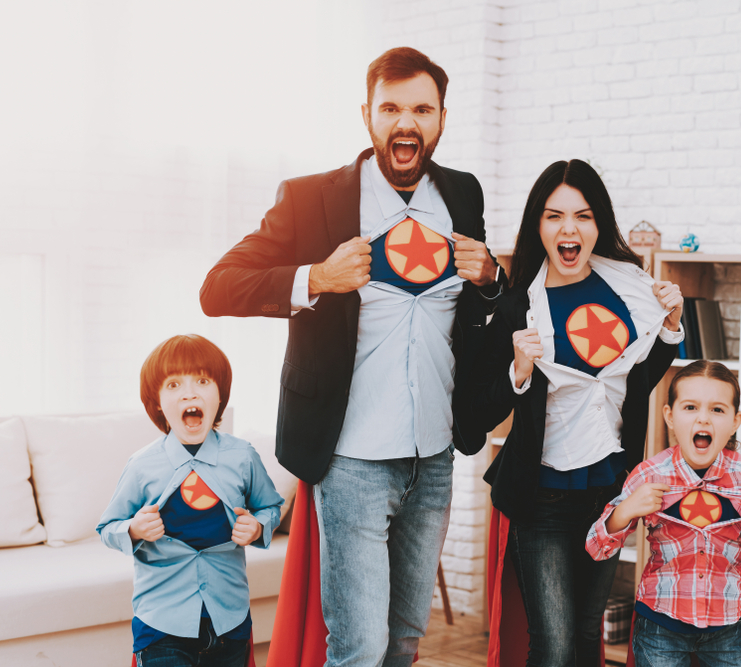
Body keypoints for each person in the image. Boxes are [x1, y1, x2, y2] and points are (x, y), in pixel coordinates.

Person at [199, 47, 502, 667]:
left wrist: (493, 277)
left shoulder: (463, 195)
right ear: (367, 115)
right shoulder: (314, 199)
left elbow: (481, 310)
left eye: (421, 108)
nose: (405, 123)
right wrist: (316, 277)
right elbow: (218, 286)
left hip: (433, 456)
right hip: (353, 459)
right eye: (391, 108)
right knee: (359, 648)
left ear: (443, 117)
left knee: (404, 645)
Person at [467, 159, 684, 667]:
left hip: (607, 493)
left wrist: (670, 326)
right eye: (554, 216)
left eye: (583, 217)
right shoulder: (520, 303)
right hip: (542, 496)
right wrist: (519, 371)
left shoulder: (628, 288)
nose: (569, 229)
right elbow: (478, 410)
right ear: (537, 226)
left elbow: (632, 386)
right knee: (555, 643)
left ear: (598, 225)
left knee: (589, 636)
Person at [586, 360, 741, 667]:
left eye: (717, 410)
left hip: (729, 625)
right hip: (660, 622)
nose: (703, 420)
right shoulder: (649, 474)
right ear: (670, 415)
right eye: (691, 407)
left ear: (736, 420)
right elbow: (596, 547)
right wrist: (624, 511)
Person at [98, 334, 284, 666]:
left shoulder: (242, 456)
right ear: (156, 402)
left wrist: (257, 526)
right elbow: (107, 527)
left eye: (202, 380)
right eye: (173, 385)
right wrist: (134, 529)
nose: (189, 392)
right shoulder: (141, 465)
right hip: (161, 624)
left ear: (220, 395)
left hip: (229, 619)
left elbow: (270, 507)